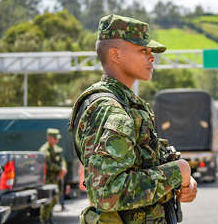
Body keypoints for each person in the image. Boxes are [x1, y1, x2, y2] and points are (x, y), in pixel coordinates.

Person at [69, 14, 197, 224]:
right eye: (143, 51)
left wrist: (184, 180)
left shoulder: (127, 104)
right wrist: (177, 172)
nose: (151, 57)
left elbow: (147, 160)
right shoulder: (111, 109)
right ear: (116, 55)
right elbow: (107, 194)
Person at [39, 128, 67, 224]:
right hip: (47, 179)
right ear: (49, 138)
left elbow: (62, 160)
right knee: (47, 200)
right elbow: (48, 164)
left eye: (57, 138)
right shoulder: (44, 150)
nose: (57, 140)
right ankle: (44, 220)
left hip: (57, 178)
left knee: (55, 199)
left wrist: (63, 168)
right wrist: (60, 169)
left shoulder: (57, 149)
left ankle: (49, 217)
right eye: (54, 138)